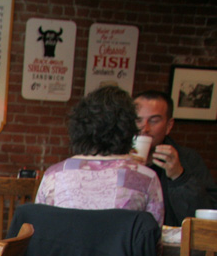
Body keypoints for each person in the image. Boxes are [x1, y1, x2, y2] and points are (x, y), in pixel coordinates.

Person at [36, 85, 164, 225]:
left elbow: (39, 231)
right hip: (119, 248)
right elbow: (153, 239)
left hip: (65, 247)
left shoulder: (53, 175)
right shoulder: (146, 178)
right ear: (129, 129)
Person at [134, 90, 217, 225]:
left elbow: (206, 218)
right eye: (137, 120)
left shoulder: (188, 159)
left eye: (154, 121)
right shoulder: (115, 158)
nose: (144, 128)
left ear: (169, 126)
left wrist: (179, 177)